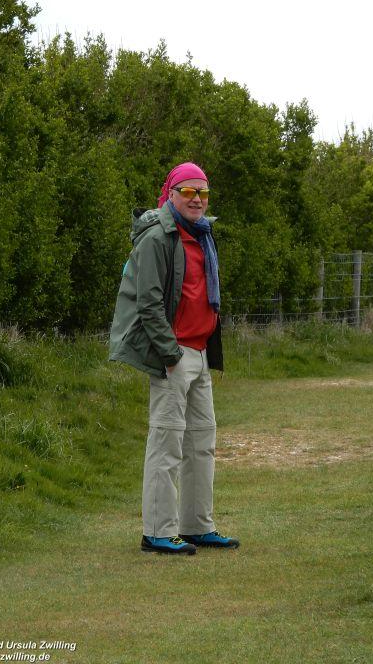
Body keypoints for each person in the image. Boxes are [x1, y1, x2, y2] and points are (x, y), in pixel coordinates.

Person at [109, 161, 240, 555]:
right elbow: (148, 303)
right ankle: (157, 532)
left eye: (203, 192)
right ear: (171, 194)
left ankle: (197, 526)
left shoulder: (202, 234)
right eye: (188, 192)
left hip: (199, 352)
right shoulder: (156, 238)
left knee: (201, 442)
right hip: (174, 354)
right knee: (166, 443)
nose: (197, 199)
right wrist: (169, 354)